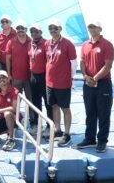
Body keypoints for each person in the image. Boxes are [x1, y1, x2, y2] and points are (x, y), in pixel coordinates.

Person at [77, 21, 114, 153]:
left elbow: (108, 65)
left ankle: (102, 141)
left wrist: (95, 78)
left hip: (103, 84)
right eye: (90, 26)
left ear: (100, 29)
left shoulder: (107, 44)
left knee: (103, 113)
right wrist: (85, 76)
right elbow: (82, 62)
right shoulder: (85, 45)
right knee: (90, 112)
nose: (91, 28)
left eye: (94, 26)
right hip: (88, 83)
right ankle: (90, 139)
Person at [45, 18, 77, 147]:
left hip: (63, 83)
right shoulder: (48, 43)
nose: (53, 30)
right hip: (50, 83)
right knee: (54, 106)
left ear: (60, 29)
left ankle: (67, 134)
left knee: (65, 108)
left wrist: (70, 78)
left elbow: (73, 64)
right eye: (50, 28)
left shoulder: (68, 44)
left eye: (55, 28)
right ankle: (58, 130)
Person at [5, 20, 33, 124]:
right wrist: (9, 74)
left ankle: (33, 121)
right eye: (18, 28)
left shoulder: (32, 42)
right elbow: (8, 59)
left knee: (30, 101)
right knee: (15, 101)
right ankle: (14, 121)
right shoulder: (11, 42)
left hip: (29, 78)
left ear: (26, 29)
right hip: (16, 77)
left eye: (22, 28)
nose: (20, 30)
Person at [28, 23, 53, 135]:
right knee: (35, 102)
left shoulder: (46, 43)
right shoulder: (30, 43)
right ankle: (37, 125)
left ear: (41, 32)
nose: (34, 33)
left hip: (44, 76)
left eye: (36, 31)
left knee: (48, 102)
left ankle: (49, 126)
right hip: (33, 76)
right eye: (32, 31)